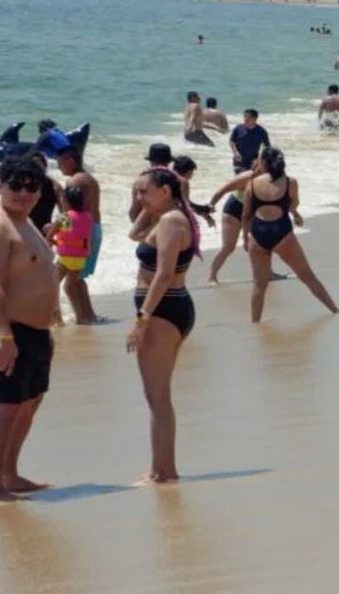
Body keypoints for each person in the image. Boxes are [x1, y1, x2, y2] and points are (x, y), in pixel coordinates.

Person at [0, 156, 58, 501]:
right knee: (4, 408)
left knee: (28, 403)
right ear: (0, 186)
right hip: (7, 331)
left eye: (31, 186)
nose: (24, 192)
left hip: (34, 331)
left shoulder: (26, 223)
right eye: (16, 185)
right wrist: (4, 337)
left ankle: (10, 475)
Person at [126, 167, 200, 484]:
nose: (138, 197)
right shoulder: (167, 217)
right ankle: (163, 468)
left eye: (144, 191)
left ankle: (163, 471)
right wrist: (146, 206)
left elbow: (164, 274)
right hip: (168, 308)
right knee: (156, 396)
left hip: (163, 310)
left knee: (158, 398)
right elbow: (134, 234)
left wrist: (141, 319)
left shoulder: (171, 221)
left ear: (165, 191)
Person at [242, 148, 339, 323]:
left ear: (263, 163)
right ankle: (335, 310)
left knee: (259, 285)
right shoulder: (290, 182)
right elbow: (292, 205)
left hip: (258, 235)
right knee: (307, 276)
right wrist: (295, 215)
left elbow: (246, 214)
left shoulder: (252, 184)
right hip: (282, 233)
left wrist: (245, 238)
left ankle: (255, 323)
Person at [56, 147, 101, 324]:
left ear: (70, 162)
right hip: (93, 228)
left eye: (60, 163)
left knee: (70, 281)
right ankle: (89, 315)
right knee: (77, 277)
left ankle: (81, 318)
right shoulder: (90, 178)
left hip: (81, 233)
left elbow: (69, 212)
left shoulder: (74, 181)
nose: (59, 167)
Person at [50, 186, 91, 321]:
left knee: (53, 286)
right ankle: (80, 318)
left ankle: (58, 321)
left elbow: (49, 237)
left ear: (66, 201)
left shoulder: (64, 217)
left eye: (62, 200)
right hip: (80, 259)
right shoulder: (87, 217)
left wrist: (59, 244)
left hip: (66, 258)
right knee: (69, 287)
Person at [229, 109, 271, 174]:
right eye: (245, 116)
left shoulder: (261, 131)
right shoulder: (238, 128)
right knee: (239, 179)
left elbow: (267, 147)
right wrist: (235, 152)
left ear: (255, 119)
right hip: (239, 161)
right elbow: (232, 141)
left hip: (253, 162)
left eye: (249, 117)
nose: (246, 119)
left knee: (251, 179)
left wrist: (261, 160)